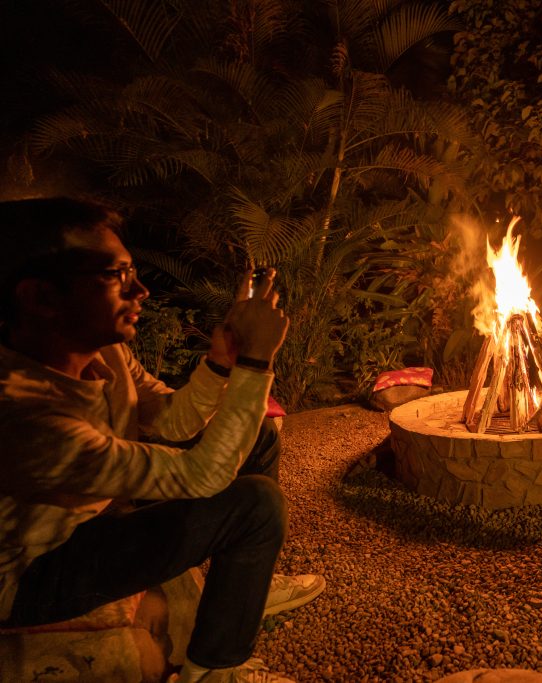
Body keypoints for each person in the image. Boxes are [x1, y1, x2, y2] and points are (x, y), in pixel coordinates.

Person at [0, 197, 325, 682]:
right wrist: (257, 361)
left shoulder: (105, 353)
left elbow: (171, 421)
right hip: (37, 571)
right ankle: (216, 668)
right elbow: (203, 475)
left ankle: (241, 579)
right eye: (116, 276)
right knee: (255, 505)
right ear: (41, 298)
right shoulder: (25, 413)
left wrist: (222, 361)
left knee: (254, 434)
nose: (142, 290)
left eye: (134, 271)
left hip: (101, 505)